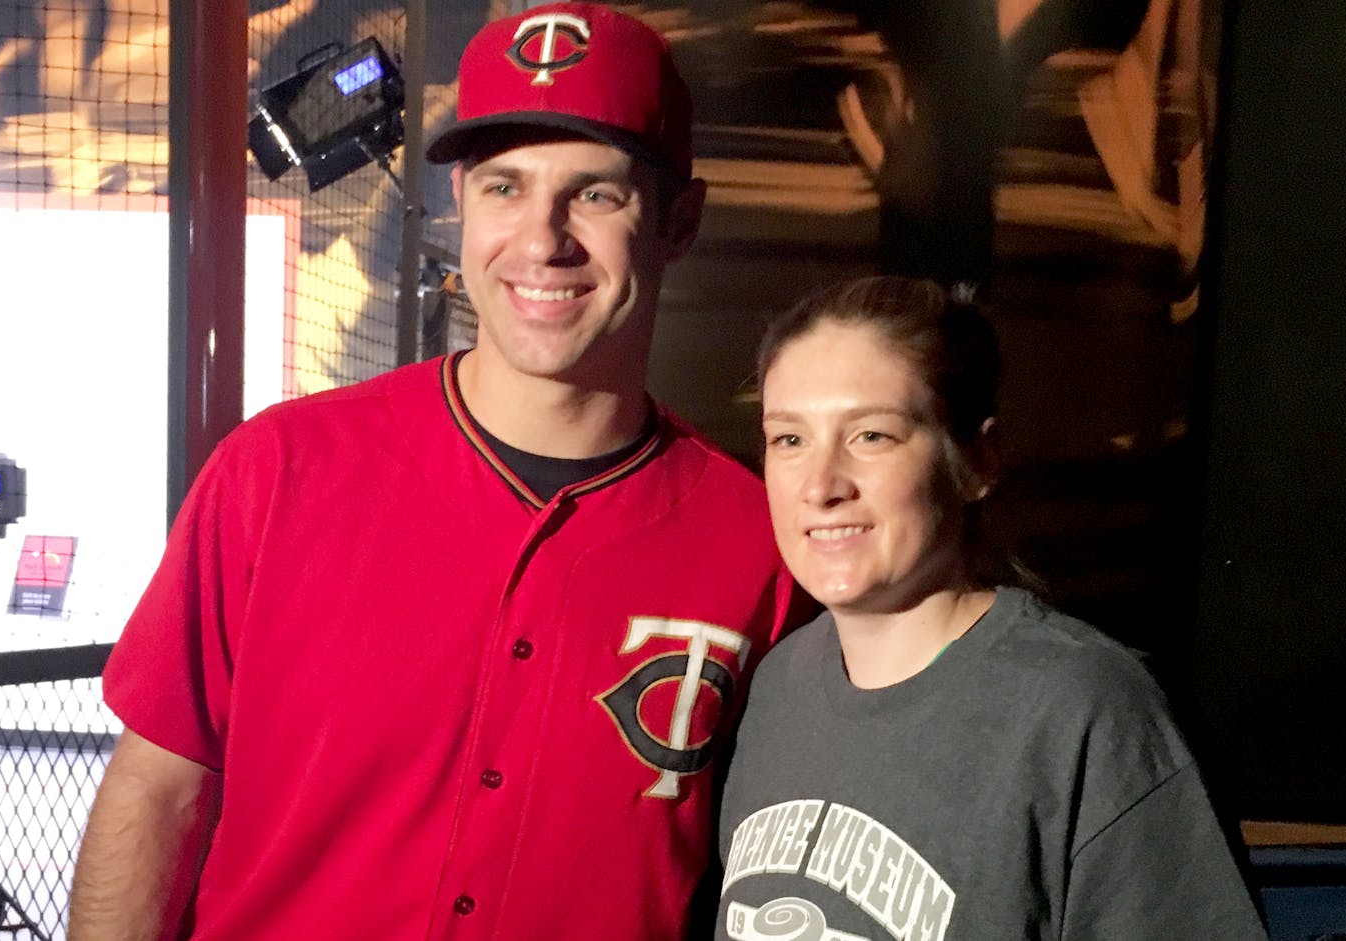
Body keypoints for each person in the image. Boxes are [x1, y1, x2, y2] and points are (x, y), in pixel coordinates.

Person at [69, 5, 805, 939]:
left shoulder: (758, 538)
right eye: (505, 188)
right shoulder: (280, 469)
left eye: (596, 194)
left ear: (679, 223)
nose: (543, 240)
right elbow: (159, 790)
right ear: (460, 201)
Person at [715, 276, 1268, 940]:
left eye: (871, 436)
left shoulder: (1083, 709)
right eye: (790, 439)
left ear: (976, 460)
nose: (822, 485)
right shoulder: (777, 688)